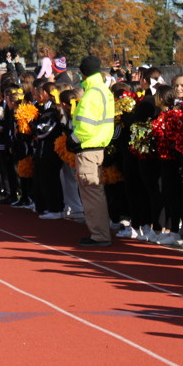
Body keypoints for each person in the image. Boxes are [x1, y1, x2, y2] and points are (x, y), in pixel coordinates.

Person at [71, 55, 114, 247]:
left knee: (91, 193)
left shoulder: (91, 94)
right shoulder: (103, 90)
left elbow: (85, 126)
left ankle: (99, 235)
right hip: (98, 145)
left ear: (83, 73)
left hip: (88, 147)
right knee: (95, 192)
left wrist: (73, 140)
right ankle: (100, 232)